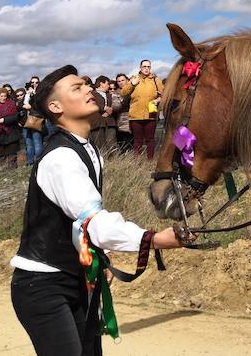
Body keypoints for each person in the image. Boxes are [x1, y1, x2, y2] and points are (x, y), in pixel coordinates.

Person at [10, 65, 188, 356]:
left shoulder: (86, 148)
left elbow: (76, 221)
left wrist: (95, 260)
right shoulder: (62, 158)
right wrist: (153, 239)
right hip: (43, 285)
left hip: (74, 278)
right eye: (76, 89)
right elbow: (93, 221)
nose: (88, 90)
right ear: (55, 107)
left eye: (86, 85)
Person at [120, 60, 164, 160]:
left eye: (148, 66)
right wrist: (132, 84)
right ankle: (137, 162)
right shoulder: (134, 78)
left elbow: (164, 94)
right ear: (140, 67)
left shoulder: (155, 80)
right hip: (135, 116)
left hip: (151, 114)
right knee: (137, 140)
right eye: (144, 66)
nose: (146, 68)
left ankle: (150, 161)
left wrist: (158, 99)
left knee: (150, 140)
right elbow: (123, 93)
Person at [0, 88, 22, 167]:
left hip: (11, 132)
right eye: (1, 96)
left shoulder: (12, 104)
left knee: (12, 156)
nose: (3, 98)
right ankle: (4, 173)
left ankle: (13, 172)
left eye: (5, 96)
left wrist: (5, 120)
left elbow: (16, 117)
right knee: (2, 156)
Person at [90, 75, 119, 153]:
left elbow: (117, 104)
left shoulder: (109, 95)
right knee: (99, 144)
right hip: (97, 122)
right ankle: (102, 162)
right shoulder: (92, 94)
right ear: (101, 84)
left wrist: (110, 111)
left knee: (112, 143)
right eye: (107, 83)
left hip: (110, 122)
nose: (108, 86)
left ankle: (114, 161)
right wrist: (104, 108)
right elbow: (91, 105)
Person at [113, 73, 133, 153]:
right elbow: (115, 107)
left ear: (127, 80)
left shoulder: (134, 90)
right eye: (119, 81)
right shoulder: (116, 93)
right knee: (125, 146)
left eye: (123, 80)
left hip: (136, 121)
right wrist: (125, 98)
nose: (121, 82)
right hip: (123, 124)